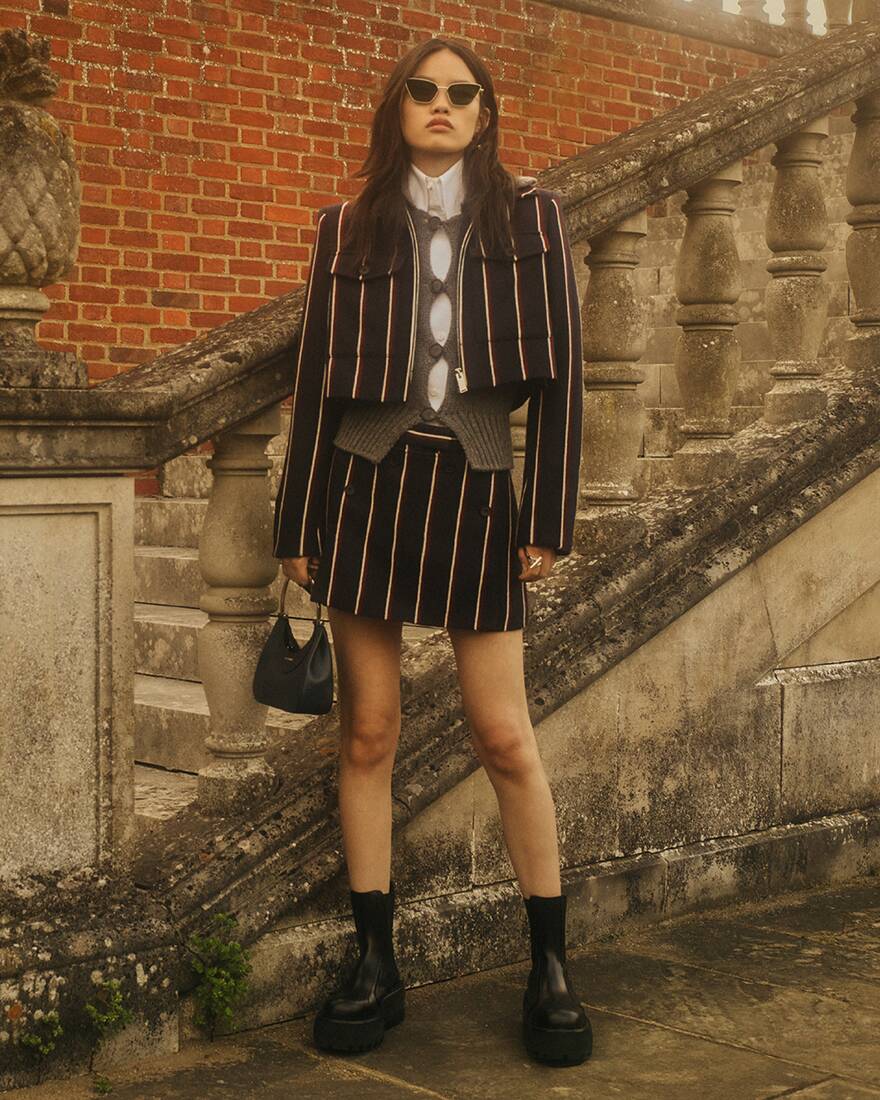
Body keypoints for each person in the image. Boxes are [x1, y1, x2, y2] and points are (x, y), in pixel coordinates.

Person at [272, 36, 589, 1066]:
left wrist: (548, 512)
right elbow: (317, 381)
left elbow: (566, 377)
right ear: (397, 107)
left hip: (479, 495)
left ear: (485, 113)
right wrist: (296, 528)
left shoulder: (532, 217)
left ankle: (550, 965)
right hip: (366, 491)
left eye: (462, 93)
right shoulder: (344, 226)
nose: (442, 105)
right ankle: (376, 960)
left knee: (505, 735)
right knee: (368, 731)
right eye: (424, 90)